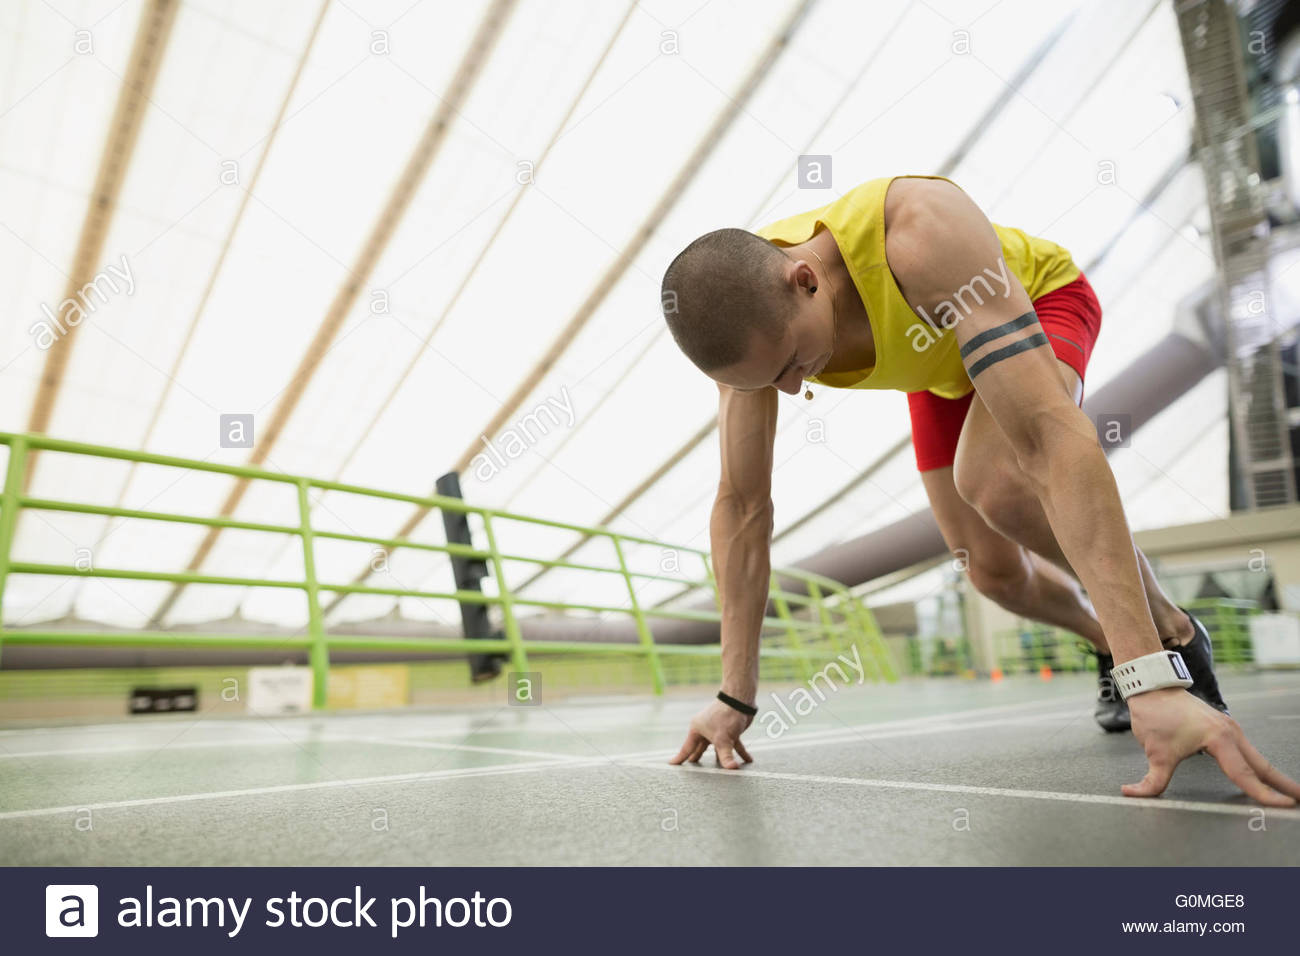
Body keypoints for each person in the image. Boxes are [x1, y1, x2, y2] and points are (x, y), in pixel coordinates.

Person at [657, 174, 1300, 806]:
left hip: (1035, 301)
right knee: (991, 573)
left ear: (806, 280)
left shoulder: (920, 230)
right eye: (770, 381)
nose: (793, 390)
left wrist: (1150, 682)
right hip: (935, 370)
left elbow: (1050, 443)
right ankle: (1109, 638)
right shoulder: (751, 326)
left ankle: (1170, 635)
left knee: (996, 481)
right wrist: (733, 694)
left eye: (793, 363)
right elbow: (742, 507)